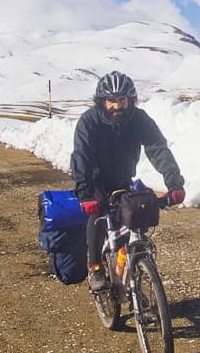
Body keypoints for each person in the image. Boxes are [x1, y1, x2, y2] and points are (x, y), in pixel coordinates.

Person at [70, 71, 185, 291]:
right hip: (94, 181)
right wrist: (85, 193)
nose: (117, 106)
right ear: (102, 101)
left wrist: (174, 183)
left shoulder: (139, 119)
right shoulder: (89, 121)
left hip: (122, 179)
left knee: (134, 217)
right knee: (98, 217)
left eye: (121, 100)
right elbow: (81, 156)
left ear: (130, 99)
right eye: (111, 101)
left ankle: (129, 272)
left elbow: (158, 149)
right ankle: (95, 267)